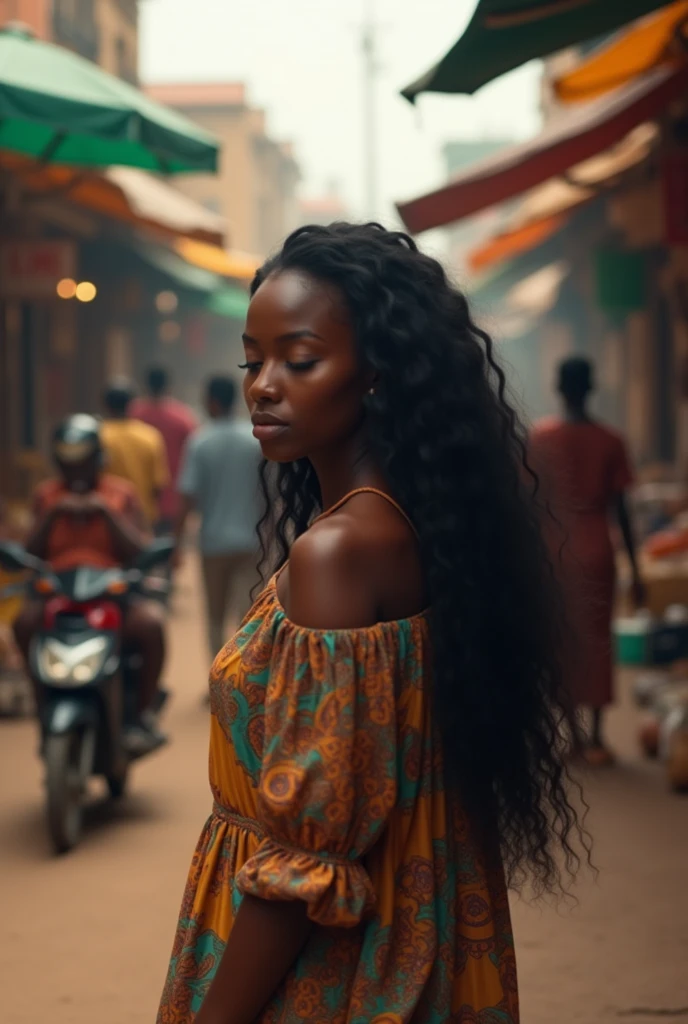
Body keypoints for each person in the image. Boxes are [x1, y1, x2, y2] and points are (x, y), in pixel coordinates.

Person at [157, 223, 587, 1024]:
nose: (263, 385)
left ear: (377, 374)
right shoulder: (417, 526)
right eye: (254, 361)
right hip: (414, 933)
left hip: (331, 972)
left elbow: (303, 867)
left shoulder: (337, 554)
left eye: (301, 358)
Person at [12, 415, 166, 740]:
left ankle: (140, 714)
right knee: (23, 623)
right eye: (69, 465)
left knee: (151, 626)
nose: (76, 472)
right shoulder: (46, 496)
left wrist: (106, 513)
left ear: (97, 460)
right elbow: (30, 551)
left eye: (82, 463)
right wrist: (53, 513)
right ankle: (42, 698)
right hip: (58, 594)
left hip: (110, 593)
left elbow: (139, 548)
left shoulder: (120, 495)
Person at [530, 356, 644, 766]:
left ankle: (573, 737)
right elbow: (622, 512)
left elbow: (530, 505)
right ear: (591, 388)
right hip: (598, 549)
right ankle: (596, 737)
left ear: (559, 388)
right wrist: (638, 570)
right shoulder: (610, 441)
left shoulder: (540, 439)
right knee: (598, 640)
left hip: (554, 551)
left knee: (563, 639)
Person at [175, 376, 261, 663]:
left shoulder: (200, 441)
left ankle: (219, 678)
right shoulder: (254, 440)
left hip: (213, 543)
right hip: (252, 540)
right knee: (248, 614)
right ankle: (246, 677)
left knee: (215, 616)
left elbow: (187, 496)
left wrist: (176, 544)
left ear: (212, 400)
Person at [130, 367, 198, 534]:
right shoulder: (182, 418)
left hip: (137, 500)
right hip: (172, 499)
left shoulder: (133, 414)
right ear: (168, 386)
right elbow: (193, 456)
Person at [100, 380, 170, 528]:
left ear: (106, 405)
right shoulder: (150, 436)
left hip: (108, 518)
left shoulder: (99, 436)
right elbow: (157, 486)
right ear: (131, 404)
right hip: (143, 519)